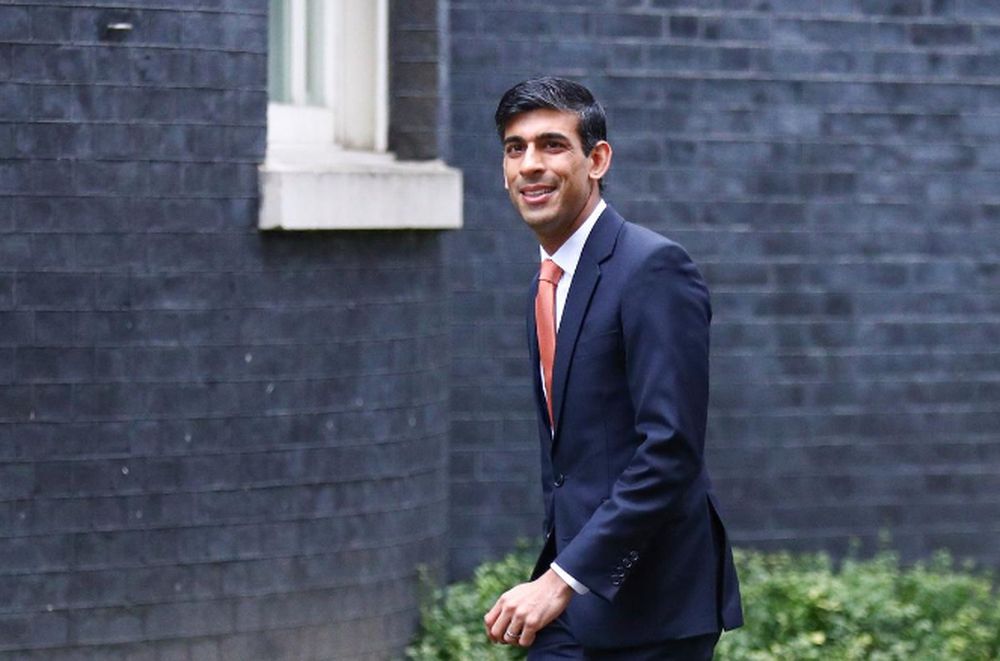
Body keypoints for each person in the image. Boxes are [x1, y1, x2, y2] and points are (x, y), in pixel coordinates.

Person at [483, 77, 744, 660]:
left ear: (597, 159)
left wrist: (562, 578)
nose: (530, 164)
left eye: (553, 145)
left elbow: (670, 450)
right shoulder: (547, 281)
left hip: (651, 611)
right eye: (514, 148)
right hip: (578, 605)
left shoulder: (652, 270)